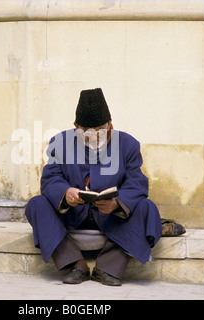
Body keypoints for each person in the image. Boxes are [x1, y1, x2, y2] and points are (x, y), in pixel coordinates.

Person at [25, 88, 162, 286]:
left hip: (112, 219)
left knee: (147, 208)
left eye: (100, 131)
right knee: (36, 204)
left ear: (110, 125)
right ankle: (76, 264)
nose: (95, 137)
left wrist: (117, 203)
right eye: (87, 133)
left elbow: (137, 182)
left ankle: (107, 268)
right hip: (71, 216)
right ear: (76, 127)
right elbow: (50, 178)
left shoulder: (128, 144)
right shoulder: (60, 143)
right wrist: (66, 193)